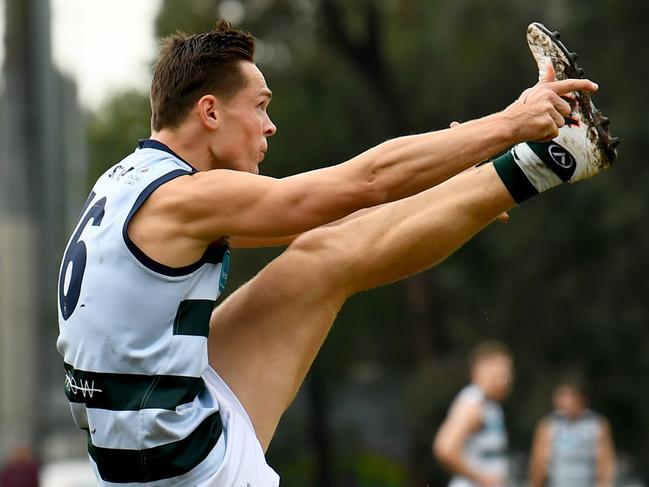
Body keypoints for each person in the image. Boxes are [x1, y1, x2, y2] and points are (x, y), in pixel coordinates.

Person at [56, 20, 617, 486]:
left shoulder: (126, 183)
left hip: (139, 451)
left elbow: (335, 220)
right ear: (209, 113)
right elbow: (365, 182)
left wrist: (448, 187)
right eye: (260, 106)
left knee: (320, 253)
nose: (270, 125)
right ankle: (544, 157)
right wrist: (510, 122)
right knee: (324, 261)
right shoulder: (188, 196)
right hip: (185, 468)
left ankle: (548, 161)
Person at [432, 342, 513, 487]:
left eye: (507, 370)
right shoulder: (473, 403)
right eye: (499, 369)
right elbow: (444, 448)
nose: (506, 376)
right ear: (479, 369)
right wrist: (480, 478)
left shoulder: (490, 405)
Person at [529, 377, 616, 487]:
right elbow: (539, 464)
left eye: (564, 396)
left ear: (580, 398)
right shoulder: (549, 425)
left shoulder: (596, 425)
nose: (557, 401)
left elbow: (605, 464)